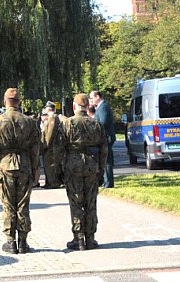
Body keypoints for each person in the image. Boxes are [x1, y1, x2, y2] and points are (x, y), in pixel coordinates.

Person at [0, 88, 40, 254]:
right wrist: (35, 167)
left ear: (4, 101)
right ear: (19, 102)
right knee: (23, 204)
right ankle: (23, 242)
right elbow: (35, 148)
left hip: (5, 165)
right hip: (24, 165)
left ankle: (10, 242)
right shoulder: (30, 122)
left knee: (8, 204)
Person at [62, 93, 108, 251]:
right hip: (91, 165)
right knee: (90, 203)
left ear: (75, 106)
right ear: (88, 106)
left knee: (76, 202)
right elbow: (104, 149)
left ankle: (78, 238)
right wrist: (101, 169)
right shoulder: (95, 124)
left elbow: (59, 149)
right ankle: (90, 238)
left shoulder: (68, 123)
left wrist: (61, 169)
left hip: (73, 166)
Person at [90, 90, 115, 189]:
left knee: (107, 161)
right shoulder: (100, 107)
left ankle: (108, 183)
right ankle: (106, 182)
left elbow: (103, 123)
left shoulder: (103, 107)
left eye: (92, 98)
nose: (91, 100)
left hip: (106, 138)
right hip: (103, 137)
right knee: (104, 160)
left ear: (97, 97)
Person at [41, 102, 64, 189]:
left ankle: (53, 182)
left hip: (52, 146)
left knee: (51, 164)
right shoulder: (51, 118)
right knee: (48, 164)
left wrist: (46, 144)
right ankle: (49, 182)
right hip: (52, 146)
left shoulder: (53, 118)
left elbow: (50, 133)